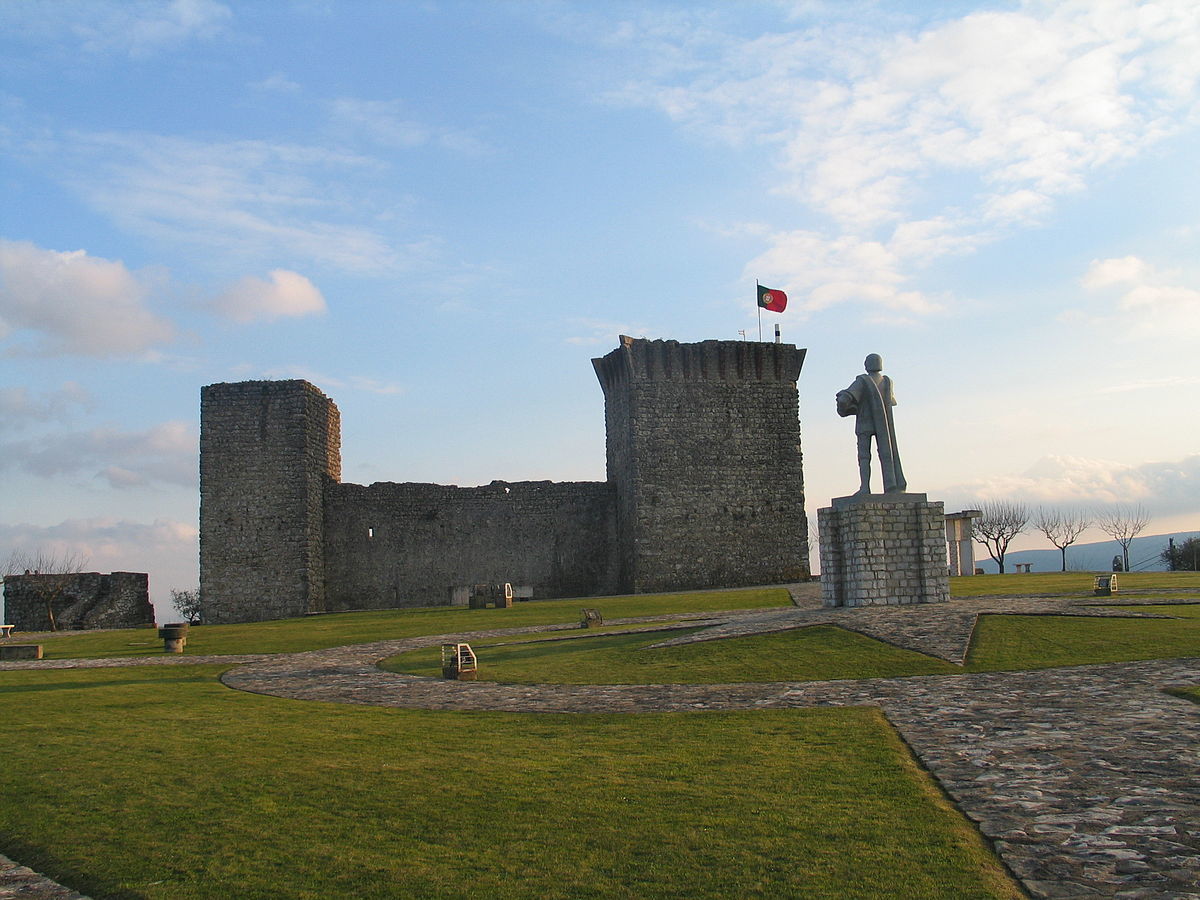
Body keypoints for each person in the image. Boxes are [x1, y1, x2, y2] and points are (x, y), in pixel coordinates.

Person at [836, 353, 906, 494]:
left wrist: (841, 399)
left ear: (867, 365)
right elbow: (891, 402)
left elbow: (846, 398)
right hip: (884, 427)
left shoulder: (863, 381)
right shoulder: (887, 382)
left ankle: (865, 487)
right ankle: (891, 485)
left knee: (864, 456)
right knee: (886, 454)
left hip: (865, 424)